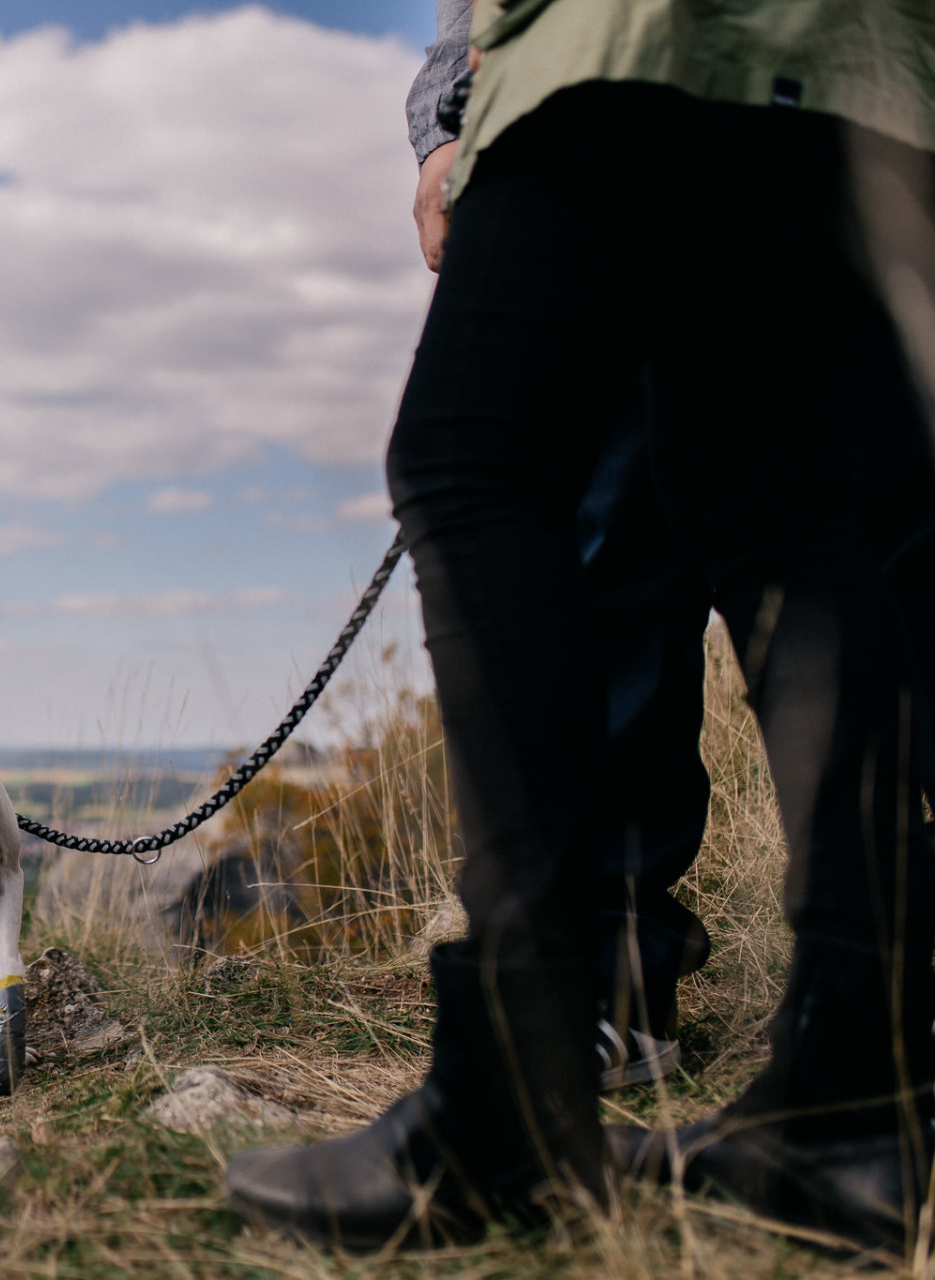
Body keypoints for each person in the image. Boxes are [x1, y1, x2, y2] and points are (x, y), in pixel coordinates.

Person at [225, 0, 935, 1254]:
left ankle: (517, 1090)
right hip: (843, 58)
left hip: (636, 38)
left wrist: (456, 105)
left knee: (473, 457)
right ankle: (853, 1090)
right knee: (776, 505)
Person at [410, 0, 714, 1093]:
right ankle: (586, 980)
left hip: (671, 102)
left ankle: (602, 983)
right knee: (598, 531)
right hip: (555, 105)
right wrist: (444, 127)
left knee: (653, 537)